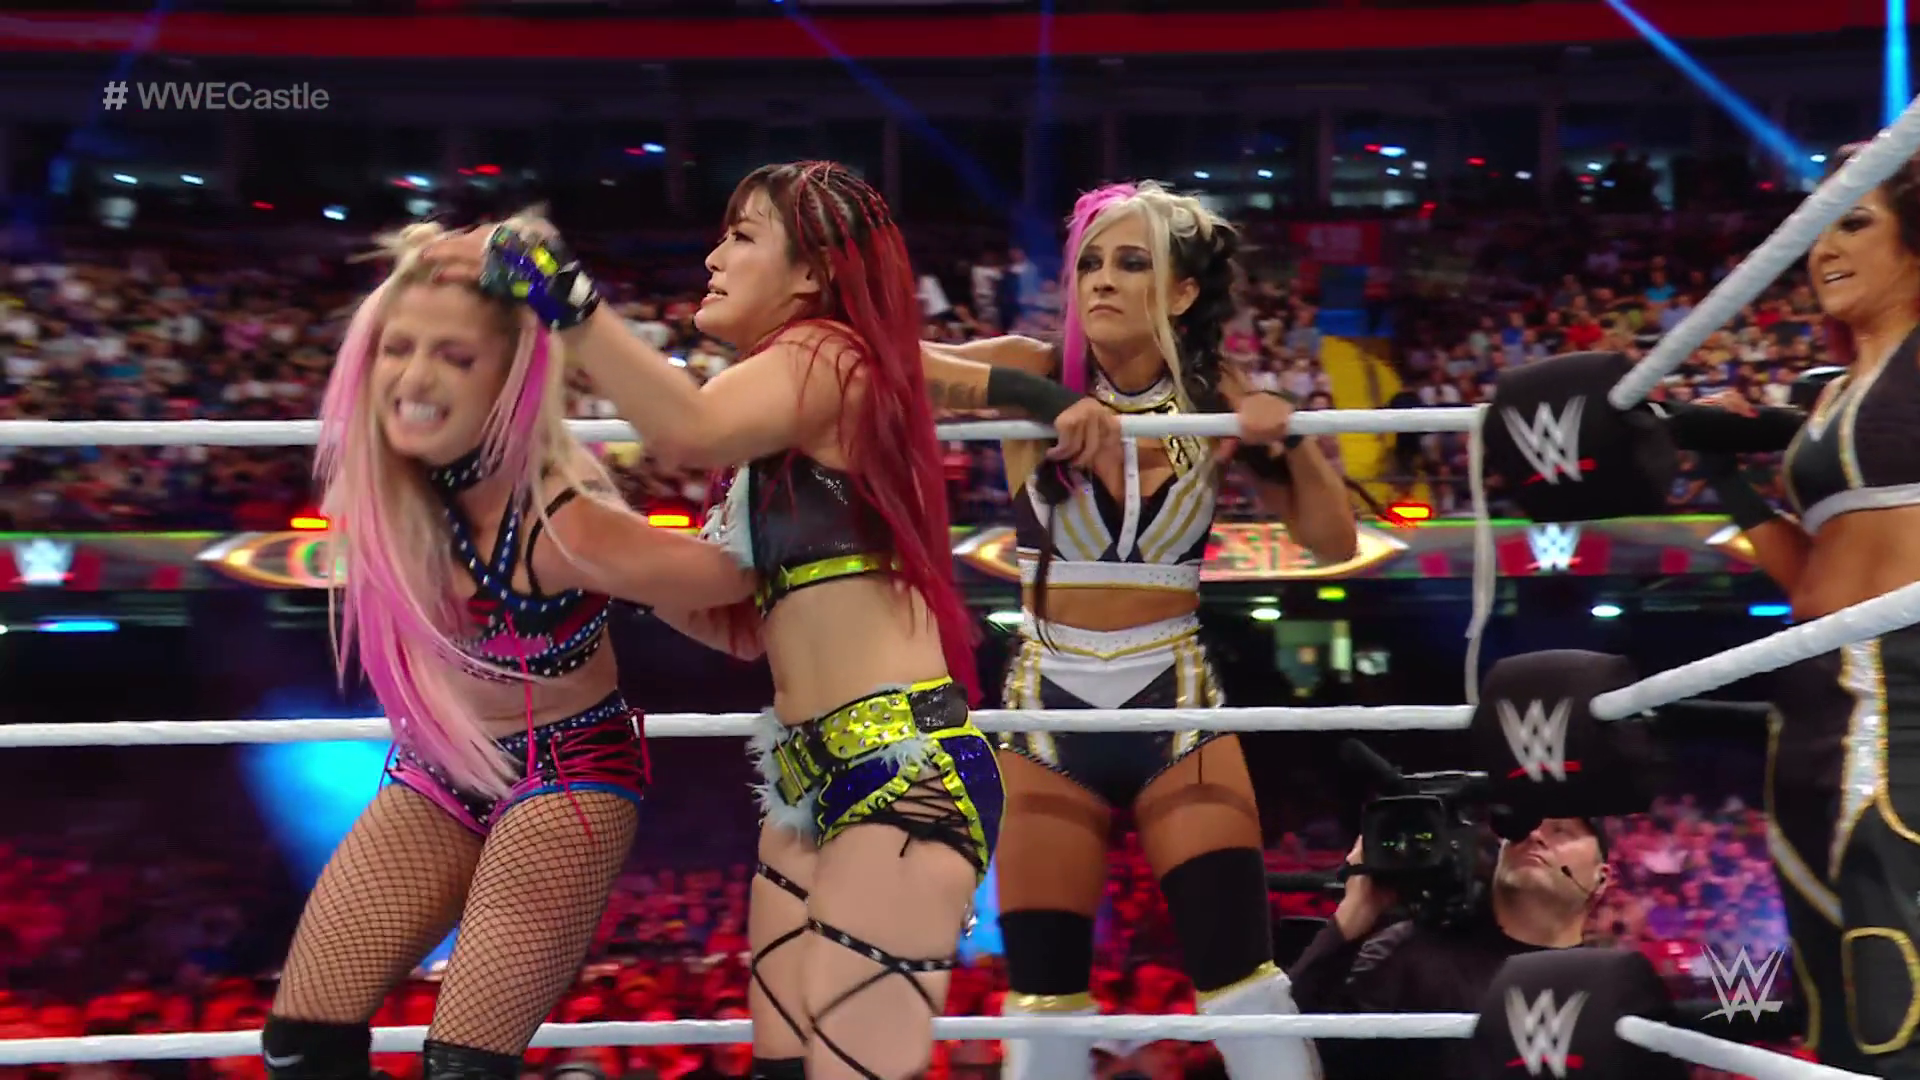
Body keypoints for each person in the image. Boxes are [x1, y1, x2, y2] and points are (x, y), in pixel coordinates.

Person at [423, 161, 1118, 1080]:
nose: (713, 257)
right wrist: (595, 557)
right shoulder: (821, 384)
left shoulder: (821, 354)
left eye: (743, 236)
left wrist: (567, 298)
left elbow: (688, 429)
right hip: (807, 779)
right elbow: (742, 623)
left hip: (901, 770)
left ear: (812, 273)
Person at [262, 220, 758, 1080]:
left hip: (567, 774)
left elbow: (739, 584)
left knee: (462, 1068)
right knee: (301, 1046)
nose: (414, 378)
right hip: (440, 770)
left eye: (455, 357)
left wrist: (788, 447)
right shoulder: (389, 490)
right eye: (398, 348)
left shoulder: (564, 524)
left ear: (508, 381)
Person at [923, 181, 1360, 1080]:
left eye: (1131, 263)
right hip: (1048, 703)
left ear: (1182, 291)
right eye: (1090, 262)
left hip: (1176, 696)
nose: (1102, 280)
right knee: (1043, 1003)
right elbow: (877, 360)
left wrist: (1285, 439)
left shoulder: (1215, 391)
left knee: (1245, 989)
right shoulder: (1032, 366)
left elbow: (1333, 542)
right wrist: (1034, 397)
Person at [1696, 143, 1920, 1076]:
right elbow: (1812, 571)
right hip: (1809, 694)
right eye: (1818, 228)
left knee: (1896, 954)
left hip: (1907, 687)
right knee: (1826, 962)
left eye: (1855, 222)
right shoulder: (1824, 395)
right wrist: (1726, 478)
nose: (1825, 248)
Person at [1289, 817, 1609, 1080]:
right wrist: (1355, 911)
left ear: (1601, 878)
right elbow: (1286, 1045)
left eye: (1561, 831)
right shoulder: (1411, 953)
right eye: (1523, 827)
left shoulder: (1613, 988)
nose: (1535, 835)